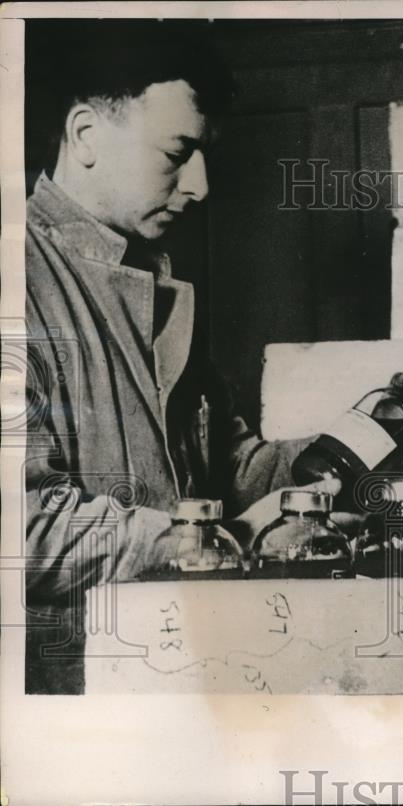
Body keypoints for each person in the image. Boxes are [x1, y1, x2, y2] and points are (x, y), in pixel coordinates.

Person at [22, 22, 341, 692]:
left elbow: (225, 472)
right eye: (176, 152)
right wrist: (197, 541)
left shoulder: (150, 282)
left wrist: (340, 451)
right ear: (84, 134)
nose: (198, 184)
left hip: (183, 666)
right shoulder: (14, 279)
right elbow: (24, 530)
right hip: (66, 692)